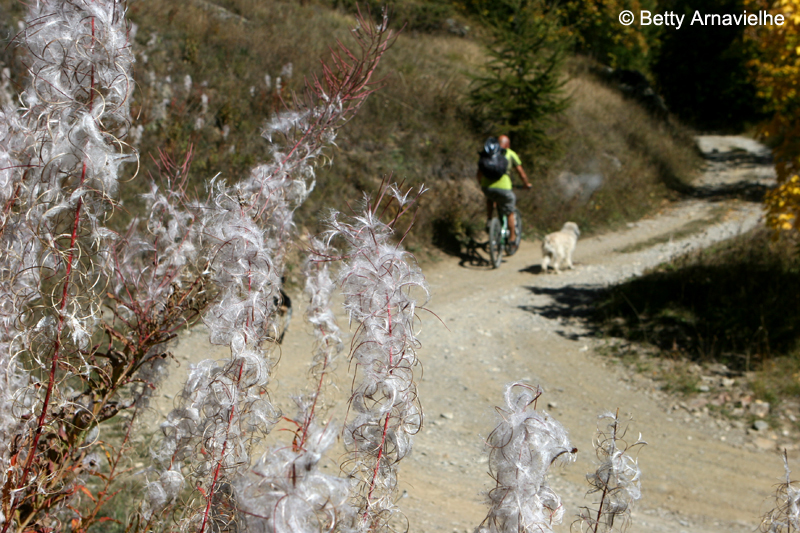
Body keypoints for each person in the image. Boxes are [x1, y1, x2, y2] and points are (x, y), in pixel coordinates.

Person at [476, 134, 532, 249]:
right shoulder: (510, 154)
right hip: (504, 187)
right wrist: (526, 184)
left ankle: (490, 219)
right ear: (507, 144)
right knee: (509, 211)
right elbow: (521, 173)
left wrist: (482, 183)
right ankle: (512, 239)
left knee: (491, 198)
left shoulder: (488, 153)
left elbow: (479, 173)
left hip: (487, 186)